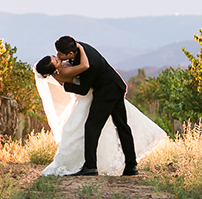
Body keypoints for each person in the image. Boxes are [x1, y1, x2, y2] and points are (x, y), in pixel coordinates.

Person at [34, 36, 166, 176]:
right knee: (122, 126)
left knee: (92, 126)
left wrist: (65, 85)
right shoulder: (77, 48)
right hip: (114, 86)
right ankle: (131, 166)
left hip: (107, 91)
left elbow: (84, 89)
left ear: (70, 54)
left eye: (60, 54)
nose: (58, 56)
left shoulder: (88, 61)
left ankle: (91, 166)